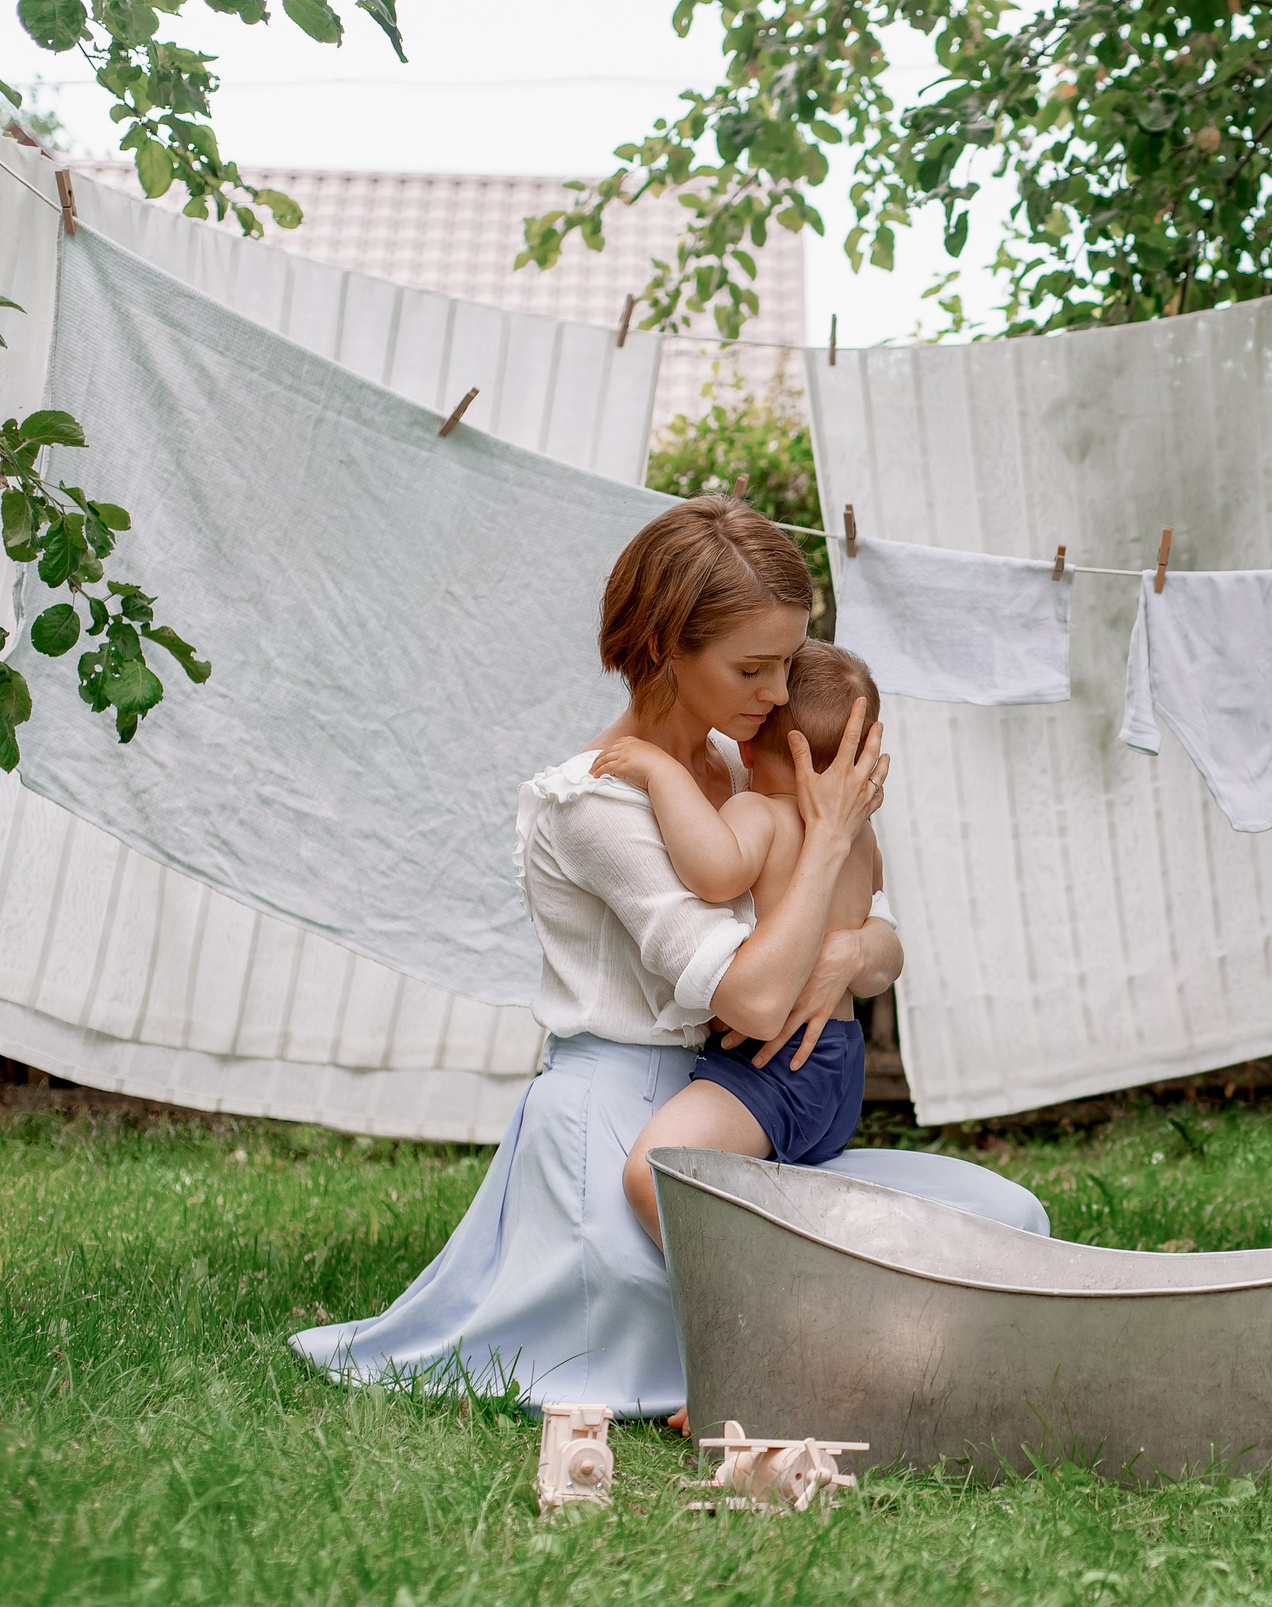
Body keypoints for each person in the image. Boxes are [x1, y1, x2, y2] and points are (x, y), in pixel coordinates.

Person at [290, 496, 1048, 1422]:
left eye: (786, 663)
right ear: (662, 646)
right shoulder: (593, 800)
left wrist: (844, 947)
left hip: (744, 1102)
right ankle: (774, 1359)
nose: (776, 692)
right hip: (627, 1142)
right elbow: (757, 998)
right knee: (727, 1304)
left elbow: (883, 947)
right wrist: (827, 848)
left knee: (999, 1221)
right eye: (751, 667)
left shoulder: (756, 771)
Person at [592, 642, 886, 1240]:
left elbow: (715, 871)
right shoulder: (858, 838)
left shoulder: (760, 811)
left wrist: (662, 771)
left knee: (653, 1174)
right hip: (841, 1065)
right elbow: (870, 904)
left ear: (747, 745)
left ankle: (750, 1305)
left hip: (776, 1065)